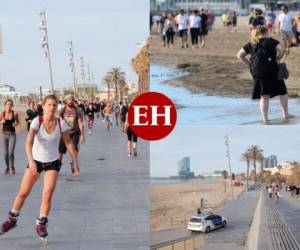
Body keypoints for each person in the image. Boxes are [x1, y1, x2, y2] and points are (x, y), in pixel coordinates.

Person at [0, 95, 79, 243]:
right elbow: (28, 142)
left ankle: (41, 222)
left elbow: (68, 142)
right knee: (23, 192)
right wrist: (31, 161)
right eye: (49, 105)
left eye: (55, 105)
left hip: (52, 161)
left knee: (47, 193)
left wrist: (75, 160)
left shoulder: (61, 123)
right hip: (35, 160)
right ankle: (12, 219)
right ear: (43, 106)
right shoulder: (38, 121)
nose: (52, 108)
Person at [237, 25, 294, 124]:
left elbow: (239, 55)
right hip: (271, 69)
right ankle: (285, 114)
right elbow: (283, 49)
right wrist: (278, 58)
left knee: (264, 95)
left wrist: (249, 64)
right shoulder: (271, 41)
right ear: (266, 32)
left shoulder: (251, 43)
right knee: (282, 91)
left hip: (257, 71)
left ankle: (265, 119)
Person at [58, 95, 85, 175]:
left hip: (75, 133)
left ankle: (74, 167)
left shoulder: (77, 110)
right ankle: (58, 167)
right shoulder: (62, 110)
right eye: (69, 99)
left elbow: (80, 123)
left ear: (74, 101)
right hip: (64, 133)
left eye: (72, 99)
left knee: (75, 151)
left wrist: (82, 135)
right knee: (60, 152)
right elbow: (57, 120)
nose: (70, 101)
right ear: (65, 101)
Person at [0, 99, 19, 174]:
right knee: (5, 154)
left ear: (12, 105)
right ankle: (7, 167)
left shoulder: (15, 113)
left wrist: (15, 124)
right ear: (5, 105)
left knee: (11, 152)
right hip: (4, 135)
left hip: (12, 135)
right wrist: (2, 121)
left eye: (10, 104)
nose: (9, 106)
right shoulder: (2, 113)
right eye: (7, 104)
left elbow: (18, 122)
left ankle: (12, 166)